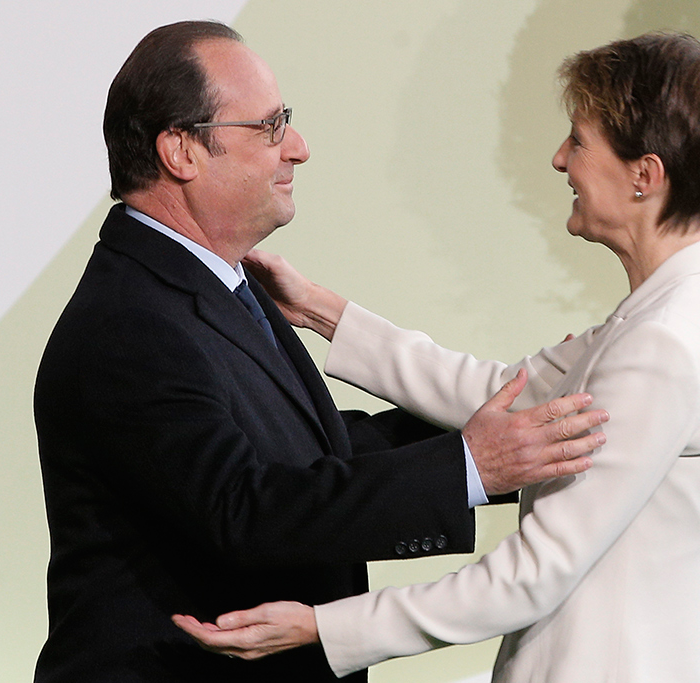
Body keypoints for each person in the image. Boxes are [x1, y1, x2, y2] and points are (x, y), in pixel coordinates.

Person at [174, 32, 700, 682]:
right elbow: (501, 391)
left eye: (577, 140)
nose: (558, 159)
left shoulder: (665, 344)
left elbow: (533, 570)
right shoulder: (675, 312)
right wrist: (320, 309)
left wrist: (324, 626)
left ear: (645, 175)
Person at [33, 20, 608, 683]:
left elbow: (318, 456)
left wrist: (512, 431)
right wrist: (471, 464)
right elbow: (247, 509)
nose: (299, 148)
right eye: (270, 126)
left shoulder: (220, 281)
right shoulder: (130, 322)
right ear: (181, 151)